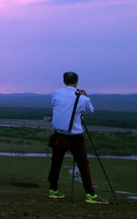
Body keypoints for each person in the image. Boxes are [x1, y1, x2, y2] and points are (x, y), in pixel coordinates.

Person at [47, 72, 109, 204]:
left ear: (64, 81)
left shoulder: (56, 93)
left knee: (56, 162)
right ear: (77, 82)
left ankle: (53, 190)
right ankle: (90, 194)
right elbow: (90, 110)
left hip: (59, 135)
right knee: (83, 164)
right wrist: (83, 96)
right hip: (75, 136)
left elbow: (56, 104)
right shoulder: (82, 99)